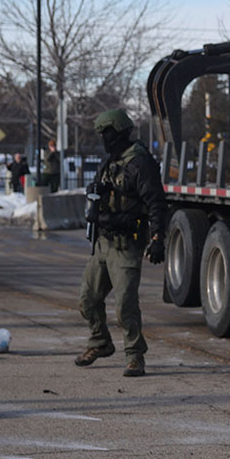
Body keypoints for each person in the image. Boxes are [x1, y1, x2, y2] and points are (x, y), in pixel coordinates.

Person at [74, 109, 166, 377]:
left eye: (107, 133)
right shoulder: (111, 161)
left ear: (121, 132)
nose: (104, 138)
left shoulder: (140, 163)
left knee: (125, 305)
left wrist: (158, 238)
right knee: (87, 299)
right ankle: (100, 342)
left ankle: (135, 355)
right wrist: (96, 191)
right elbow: (99, 189)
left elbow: (156, 203)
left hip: (127, 244)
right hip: (103, 242)